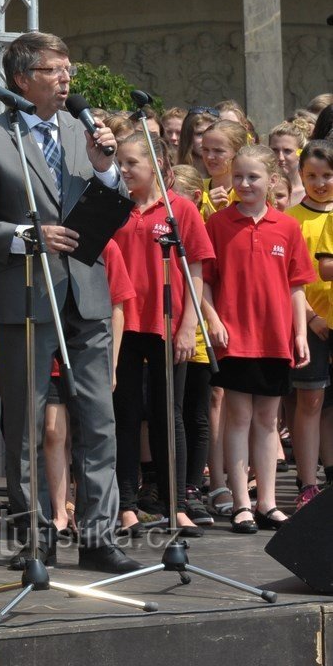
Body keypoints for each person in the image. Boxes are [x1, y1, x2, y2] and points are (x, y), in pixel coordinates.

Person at [0, 30, 138, 575]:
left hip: (86, 291)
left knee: (99, 419)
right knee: (27, 422)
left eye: (68, 69)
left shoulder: (84, 134)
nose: (66, 79)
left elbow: (116, 203)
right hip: (25, 294)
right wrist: (28, 236)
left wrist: (106, 167)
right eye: (54, 70)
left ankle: (100, 536)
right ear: (22, 79)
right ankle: (36, 537)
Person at [206, 144, 315, 532]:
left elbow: (296, 286)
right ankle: (241, 503)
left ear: (272, 181)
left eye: (253, 177)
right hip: (234, 337)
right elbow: (204, 282)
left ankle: (267, 501)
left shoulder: (287, 227)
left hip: (274, 338)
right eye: (238, 176)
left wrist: (299, 333)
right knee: (238, 417)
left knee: (268, 420)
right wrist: (213, 318)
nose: (244, 184)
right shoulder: (217, 224)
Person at [110, 133, 210, 535]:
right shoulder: (114, 208)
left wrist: (188, 326)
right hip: (122, 324)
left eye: (132, 162)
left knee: (171, 416)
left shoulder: (179, 209)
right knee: (126, 415)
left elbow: (197, 270)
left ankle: (177, 505)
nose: (124, 169)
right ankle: (127, 506)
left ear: (156, 166)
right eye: (121, 162)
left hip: (167, 324)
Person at [288, 142, 333, 509]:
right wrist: (311, 319)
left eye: (328, 176)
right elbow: (287, 280)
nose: (320, 183)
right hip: (309, 324)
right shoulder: (291, 219)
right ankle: (306, 481)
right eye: (312, 176)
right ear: (300, 175)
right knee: (311, 402)